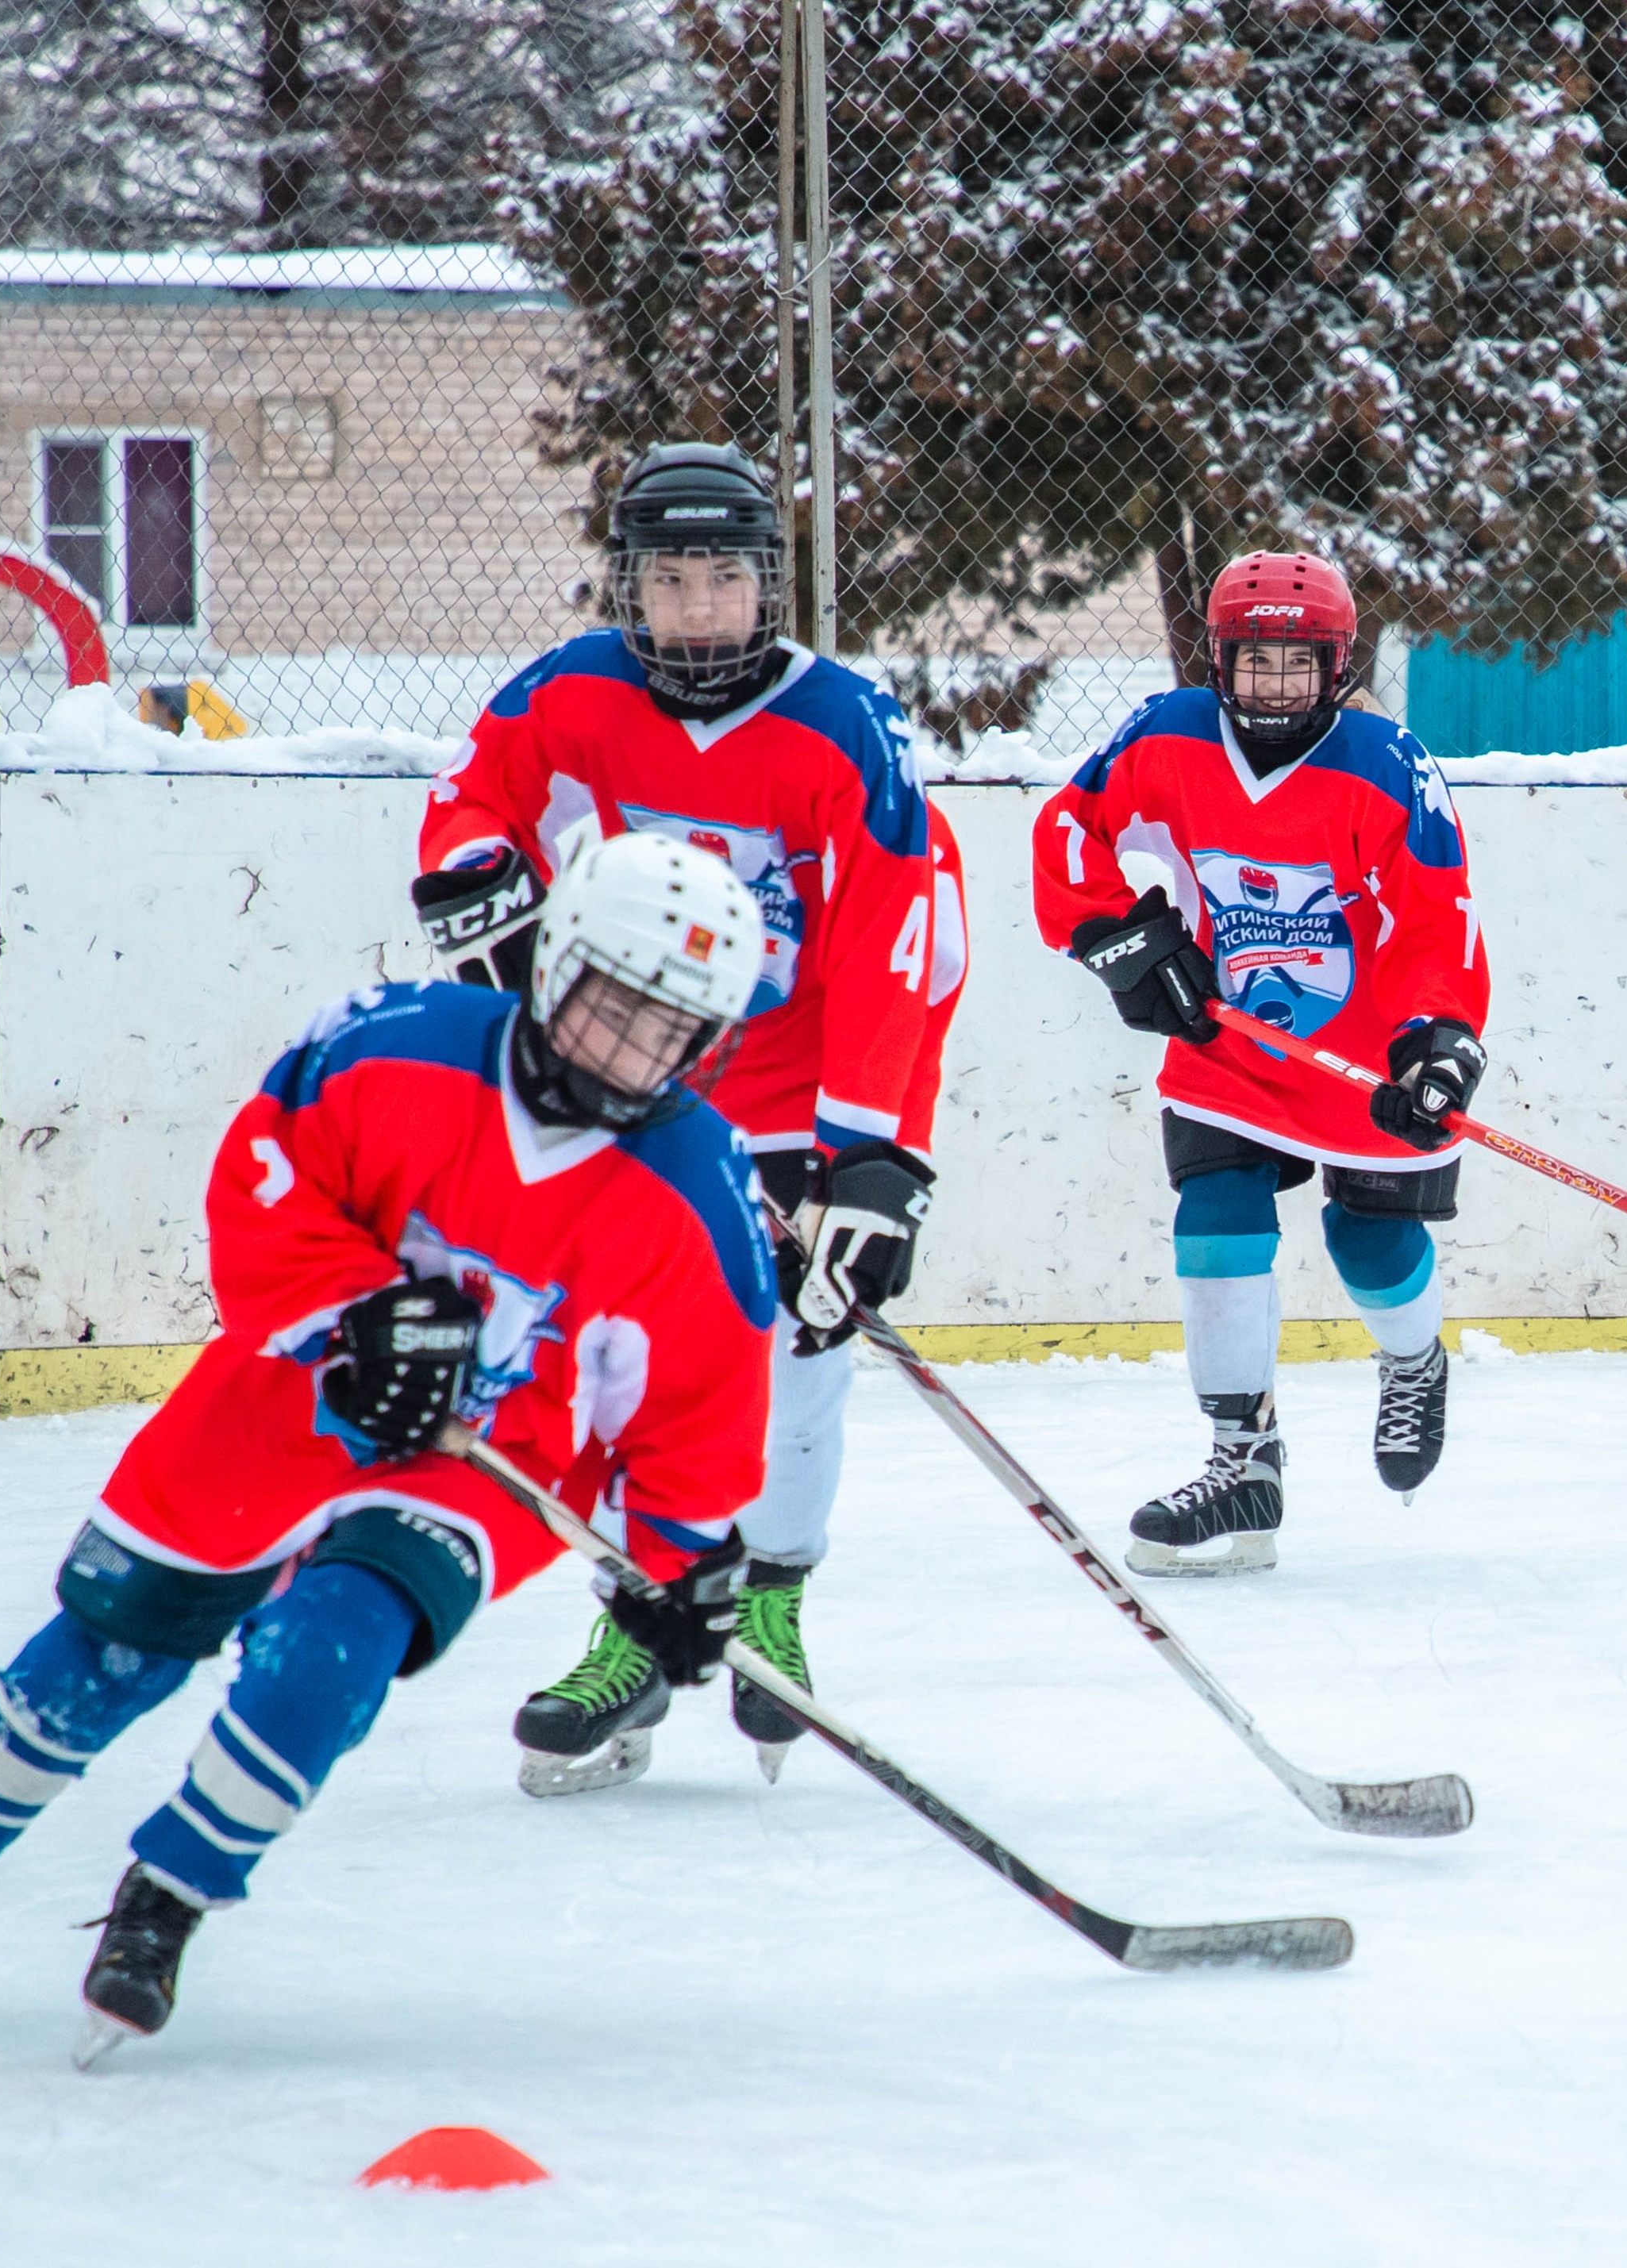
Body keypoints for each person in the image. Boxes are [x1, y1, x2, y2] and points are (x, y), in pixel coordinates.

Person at [0, 836, 779, 2061]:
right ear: (554, 966)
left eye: (669, 1032)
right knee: (108, 1651)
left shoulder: (700, 1184)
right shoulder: (392, 1040)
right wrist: (358, 1312)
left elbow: (697, 1408)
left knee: (332, 1641)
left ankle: (167, 1898)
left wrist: (670, 1565)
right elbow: (262, 1181)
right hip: (291, 1389)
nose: (630, 1053)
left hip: (480, 1454)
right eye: (615, 1008)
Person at [412, 440, 948, 1787]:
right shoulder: (569, 690)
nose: (699, 607)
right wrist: (475, 873)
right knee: (623, 1361)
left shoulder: (843, 726)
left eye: (725, 577)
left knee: (805, 1341)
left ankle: (772, 1590)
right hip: (636, 1088)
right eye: (671, 578)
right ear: (628, 583)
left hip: (788, 1098)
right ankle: (642, 1626)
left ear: (769, 583)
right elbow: (472, 797)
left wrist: (870, 1155)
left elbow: (902, 940)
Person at [1031, 551, 1487, 1574]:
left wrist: (1438, 1038)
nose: (1274, 684)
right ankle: (1244, 1460)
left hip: (1366, 1056)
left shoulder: (1387, 761)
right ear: (1218, 660)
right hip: (1231, 1042)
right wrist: (1125, 941)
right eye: (1254, 661)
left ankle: (1414, 1359)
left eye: (1298, 662)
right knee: (1215, 1224)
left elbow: (1436, 915)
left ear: (1336, 665)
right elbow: (1070, 831)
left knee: (1367, 1245)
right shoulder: (1163, 737)